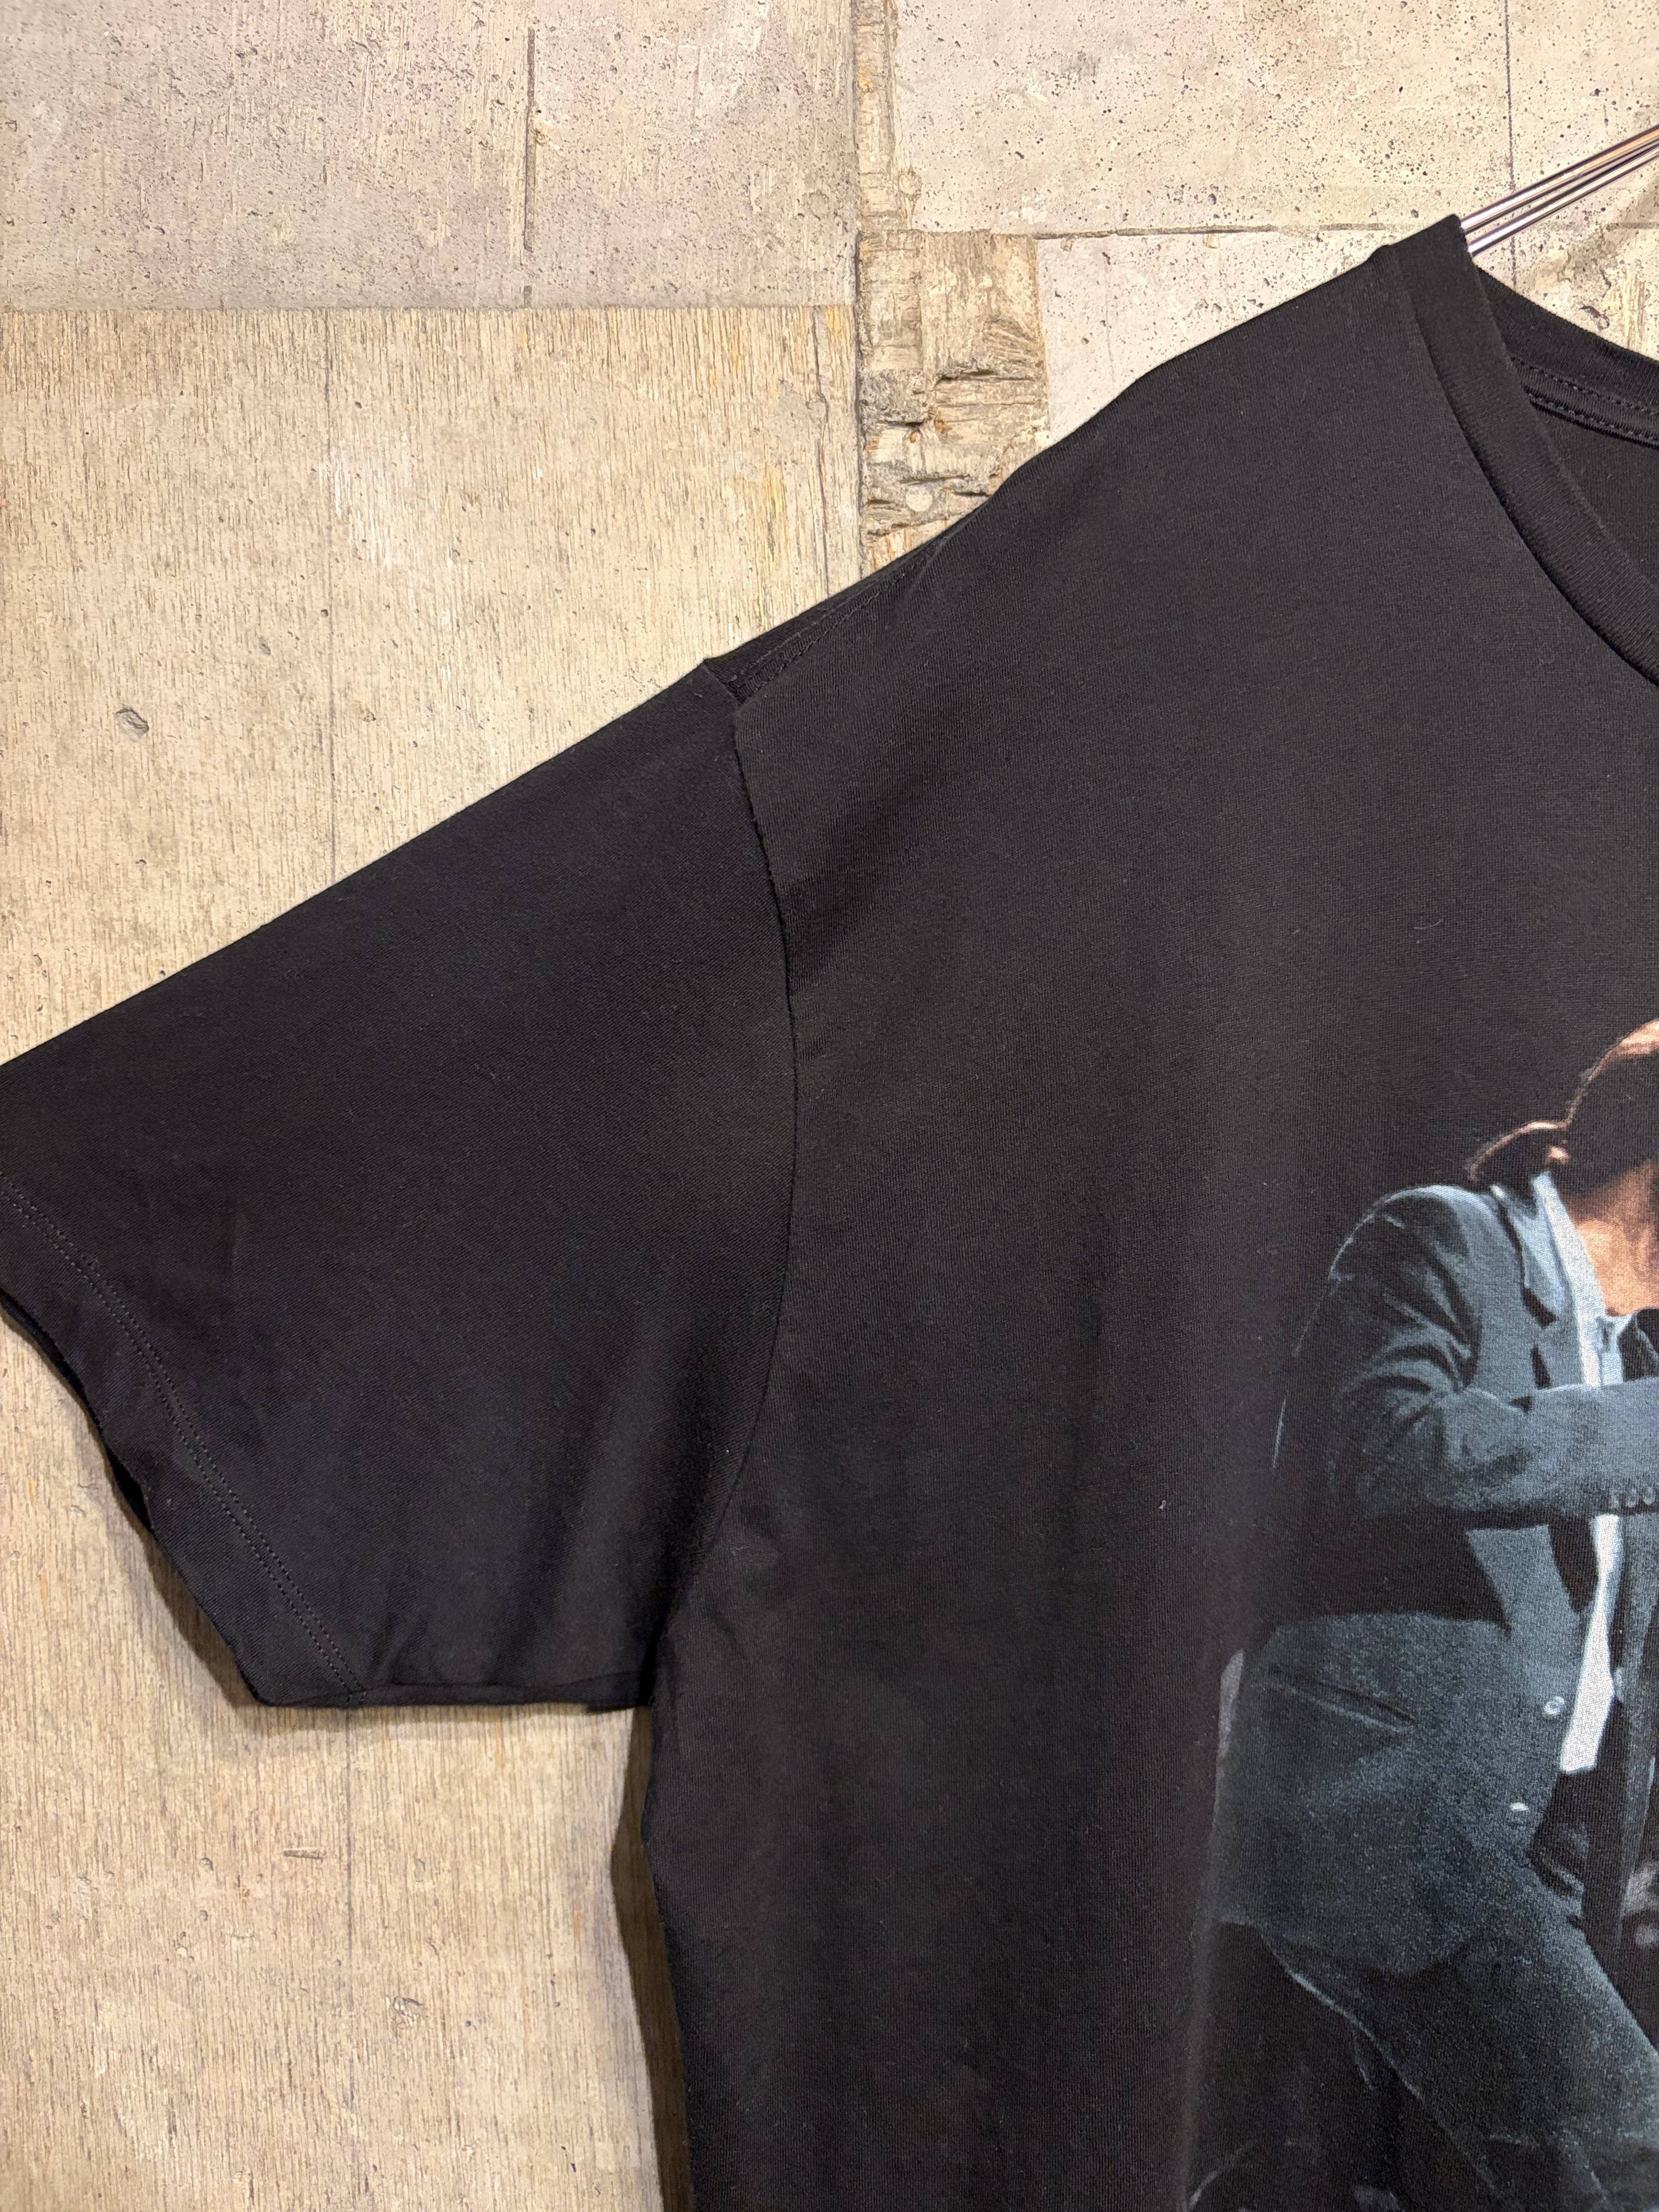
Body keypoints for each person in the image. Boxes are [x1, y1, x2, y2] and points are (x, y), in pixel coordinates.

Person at [1187, 1018, 1659, 2211]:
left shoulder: (1633, 1368)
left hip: (1532, 1851)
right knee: (1629, 2161)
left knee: (1294, 2183)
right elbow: (1386, 1444)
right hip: (1385, 1825)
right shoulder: (1442, 1239)